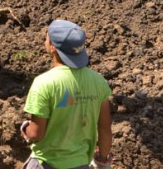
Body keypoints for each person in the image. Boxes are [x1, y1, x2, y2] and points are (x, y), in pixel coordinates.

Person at [20, 20, 113, 169]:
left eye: (46, 38)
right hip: (80, 164)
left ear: (52, 47)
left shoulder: (44, 83)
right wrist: (102, 159)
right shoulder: (98, 81)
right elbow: (104, 128)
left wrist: (25, 129)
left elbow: (36, 134)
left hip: (46, 163)